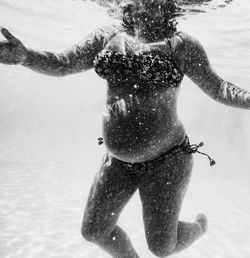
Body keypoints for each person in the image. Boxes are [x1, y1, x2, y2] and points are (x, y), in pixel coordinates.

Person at [0, 0, 249, 257]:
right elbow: (63, 63)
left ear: (167, 7)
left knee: (162, 247)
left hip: (167, 161)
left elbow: (219, 88)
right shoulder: (107, 37)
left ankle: (199, 226)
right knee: (94, 230)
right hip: (117, 161)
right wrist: (25, 57)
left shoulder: (182, 45)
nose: (144, 6)